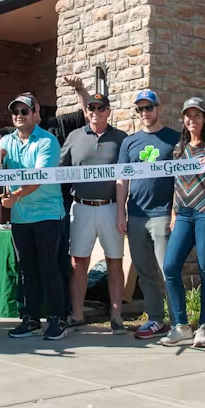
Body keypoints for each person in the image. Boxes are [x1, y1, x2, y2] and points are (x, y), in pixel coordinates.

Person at [0, 84, 67, 340]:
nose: (19, 115)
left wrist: (16, 196)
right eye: (15, 112)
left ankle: (58, 319)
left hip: (48, 214)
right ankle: (30, 319)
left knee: (49, 267)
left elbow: (39, 177)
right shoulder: (7, 141)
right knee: (27, 270)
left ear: (35, 113)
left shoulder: (47, 140)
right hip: (21, 216)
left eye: (24, 111)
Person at [161, 98, 205, 348]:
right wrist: (173, 214)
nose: (192, 120)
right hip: (183, 213)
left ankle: (204, 326)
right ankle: (181, 325)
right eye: (188, 116)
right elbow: (177, 184)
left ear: (204, 119)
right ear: (183, 120)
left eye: (197, 115)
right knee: (170, 267)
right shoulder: (178, 149)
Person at [59, 93, 128, 334]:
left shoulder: (121, 138)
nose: (95, 112)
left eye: (100, 108)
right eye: (91, 108)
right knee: (78, 262)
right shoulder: (74, 136)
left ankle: (116, 317)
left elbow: (126, 175)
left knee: (114, 261)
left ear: (108, 111)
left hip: (111, 207)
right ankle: (77, 315)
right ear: (86, 111)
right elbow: (59, 170)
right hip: (81, 207)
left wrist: (122, 211)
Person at [116, 89, 181, 340]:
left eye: (149, 107)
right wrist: (121, 213)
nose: (144, 112)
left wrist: (174, 211)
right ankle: (156, 319)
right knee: (145, 273)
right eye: (140, 109)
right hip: (136, 214)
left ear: (159, 109)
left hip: (162, 213)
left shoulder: (174, 138)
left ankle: (178, 322)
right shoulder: (129, 142)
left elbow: (180, 179)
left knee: (168, 270)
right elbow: (122, 179)